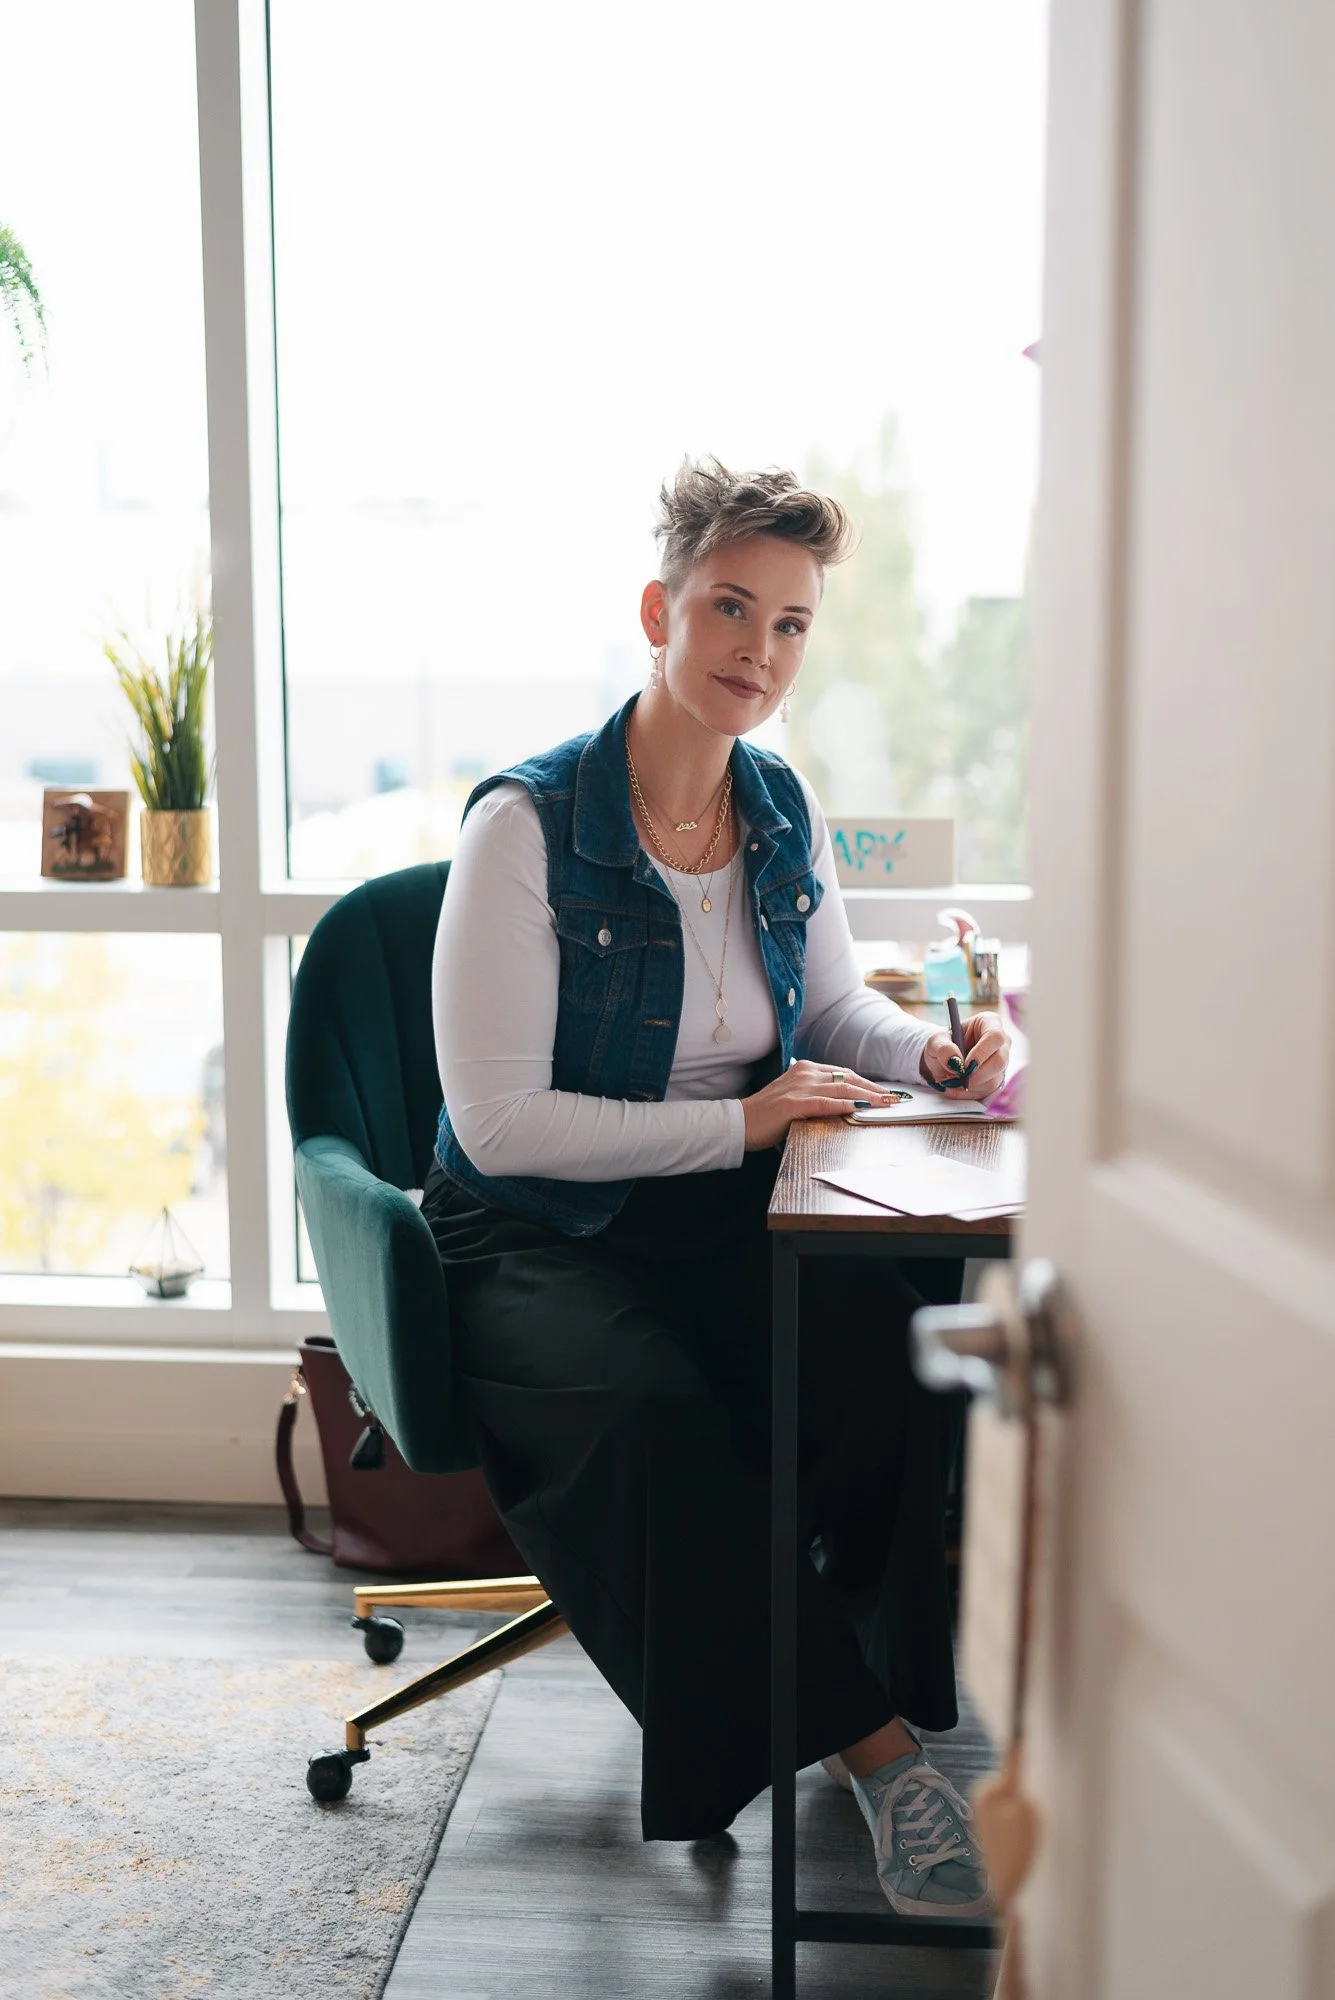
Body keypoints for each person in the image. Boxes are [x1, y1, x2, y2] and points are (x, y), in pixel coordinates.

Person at [421, 458, 1010, 1918]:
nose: (760, 648)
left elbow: (827, 1018)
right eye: (730, 607)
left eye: (794, 622)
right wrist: (743, 1127)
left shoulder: (776, 808)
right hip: (537, 1231)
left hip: (714, 1206)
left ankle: (866, 1688)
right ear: (659, 611)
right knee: (651, 1421)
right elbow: (498, 1125)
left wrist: (931, 1051)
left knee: (892, 1360)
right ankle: (880, 1761)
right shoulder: (529, 825)